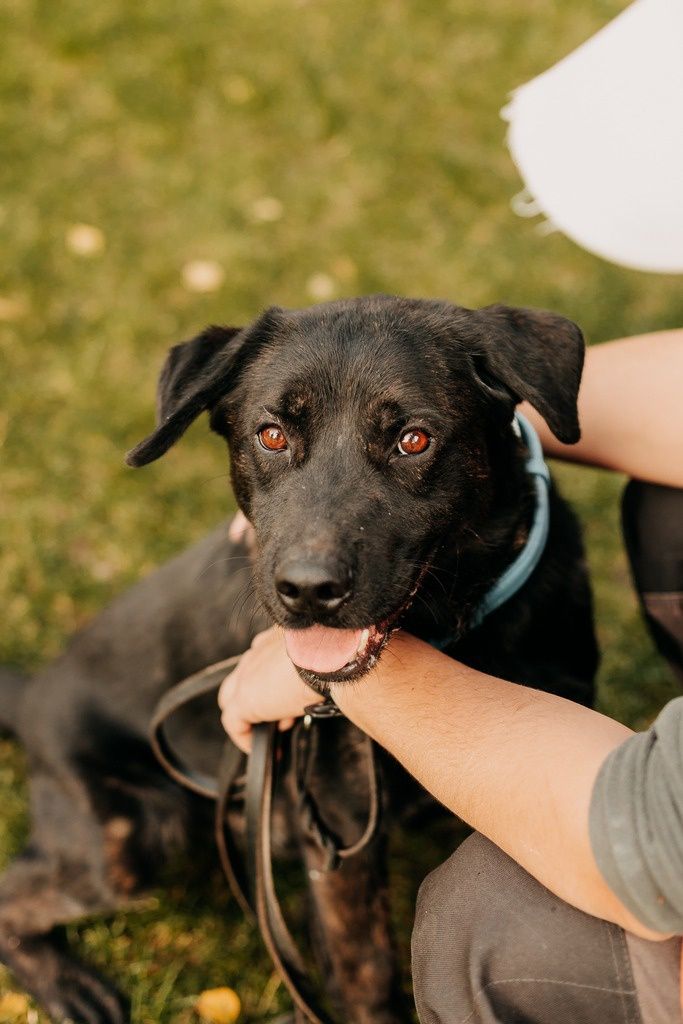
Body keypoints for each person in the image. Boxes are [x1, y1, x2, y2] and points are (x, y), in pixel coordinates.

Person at [219, 327, 683, 1024]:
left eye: (409, 442)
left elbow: (649, 839)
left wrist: (350, 674)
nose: (310, 557)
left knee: (484, 919)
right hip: (142, 774)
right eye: (276, 438)